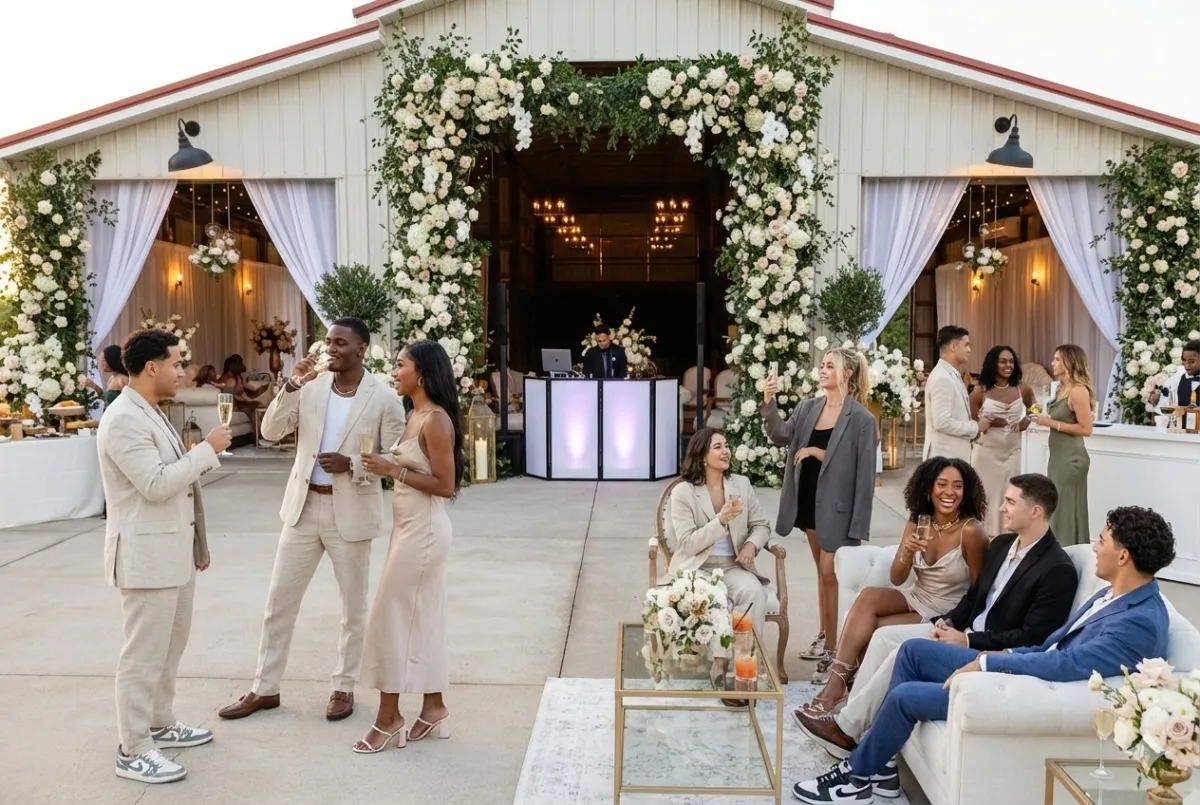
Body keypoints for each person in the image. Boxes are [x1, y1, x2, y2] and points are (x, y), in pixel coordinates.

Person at [791, 505, 1175, 805]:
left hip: (1029, 688)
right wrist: (1000, 652)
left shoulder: (1138, 622)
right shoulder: (1112, 594)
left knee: (905, 697)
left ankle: (857, 778)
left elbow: (1065, 664)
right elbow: (1050, 646)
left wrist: (991, 661)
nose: (1095, 547)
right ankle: (883, 768)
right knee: (913, 652)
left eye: (1103, 541)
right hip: (1023, 666)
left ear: (1123, 556)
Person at [795, 473, 1078, 760]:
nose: (1002, 508)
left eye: (1010, 502)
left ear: (1035, 511)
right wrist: (949, 622)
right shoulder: (1003, 545)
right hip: (962, 631)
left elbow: (1032, 638)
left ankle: (846, 729)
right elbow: (974, 596)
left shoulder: (1057, 569)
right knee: (883, 638)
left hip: (987, 651)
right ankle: (849, 726)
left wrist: (967, 640)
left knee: (905, 650)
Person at [217, 318, 406, 723]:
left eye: (341, 343)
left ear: (362, 349)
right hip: (302, 509)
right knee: (279, 602)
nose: (331, 349)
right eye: (328, 342)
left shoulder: (385, 398)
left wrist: (351, 464)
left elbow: (395, 457)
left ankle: (343, 686)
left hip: (350, 512)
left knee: (353, 608)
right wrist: (291, 386)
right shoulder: (312, 388)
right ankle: (265, 688)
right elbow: (270, 431)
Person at [96, 329, 233, 784]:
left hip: (173, 553)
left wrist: (197, 545)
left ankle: (160, 721)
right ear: (151, 367)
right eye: (176, 363)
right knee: (142, 656)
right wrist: (207, 450)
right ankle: (134, 748)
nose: (183, 372)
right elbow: (155, 484)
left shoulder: (150, 410)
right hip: (145, 558)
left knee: (169, 649)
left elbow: (179, 488)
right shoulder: (123, 419)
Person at [798, 457, 988, 717]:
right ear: (929, 487)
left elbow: (980, 589)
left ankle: (840, 693)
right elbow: (897, 578)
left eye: (957, 486)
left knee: (876, 629)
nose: (949, 492)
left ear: (966, 491)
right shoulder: (918, 522)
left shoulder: (971, 531)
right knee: (869, 597)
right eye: (942, 484)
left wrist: (959, 626)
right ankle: (837, 685)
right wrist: (907, 552)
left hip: (948, 609)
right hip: (918, 596)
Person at [353, 340, 460, 753]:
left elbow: (446, 486)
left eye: (401, 365)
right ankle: (434, 708)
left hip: (425, 532)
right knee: (422, 618)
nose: (394, 372)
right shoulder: (414, 413)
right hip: (408, 527)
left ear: (423, 373)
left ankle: (388, 718)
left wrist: (391, 469)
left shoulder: (436, 421)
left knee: (389, 618)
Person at [761, 348, 877, 681]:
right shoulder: (808, 407)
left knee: (830, 574)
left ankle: (835, 652)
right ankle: (826, 636)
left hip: (840, 509)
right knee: (822, 574)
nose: (822, 370)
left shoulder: (862, 419)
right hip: (809, 503)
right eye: (822, 365)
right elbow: (781, 435)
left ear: (847, 373)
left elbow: (863, 473)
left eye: (830, 366)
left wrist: (859, 524)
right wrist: (769, 402)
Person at [1032, 344, 1094, 546]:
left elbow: (1086, 428)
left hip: (1071, 458)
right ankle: (1059, 548)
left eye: (1057, 359)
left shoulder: (1078, 391)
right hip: (1058, 457)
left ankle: (1068, 548)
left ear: (1069, 362)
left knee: (1067, 508)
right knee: (1058, 506)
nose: (1052, 363)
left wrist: (1049, 423)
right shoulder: (1060, 388)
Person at [970, 345, 1036, 535]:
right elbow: (971, 424)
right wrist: (987, 423)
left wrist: (1026, 421)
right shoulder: (980, 391)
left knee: (1010, 495)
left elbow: (1036, 409)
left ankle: (1007, 536)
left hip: (1012, 453)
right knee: (987, 496)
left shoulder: (1023, 388)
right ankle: (983, 537)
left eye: (1011, 361)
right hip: (986, 454)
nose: (1008, 365)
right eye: (1003, 361)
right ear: (993, 363)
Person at [924, 325, 994, 461]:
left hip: (953, 455)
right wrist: (976, 427)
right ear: (953, 347)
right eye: (966, 345)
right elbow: (942, 422)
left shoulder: (950, 374)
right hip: (945, 457)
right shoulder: (942, 377)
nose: (969, 350)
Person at [1148, 339, 1200, 414]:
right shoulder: (1177, 377)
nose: (1186, 365)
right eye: (1184, 360)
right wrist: (1157, 400)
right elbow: (1167, 405)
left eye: (1191, 362)